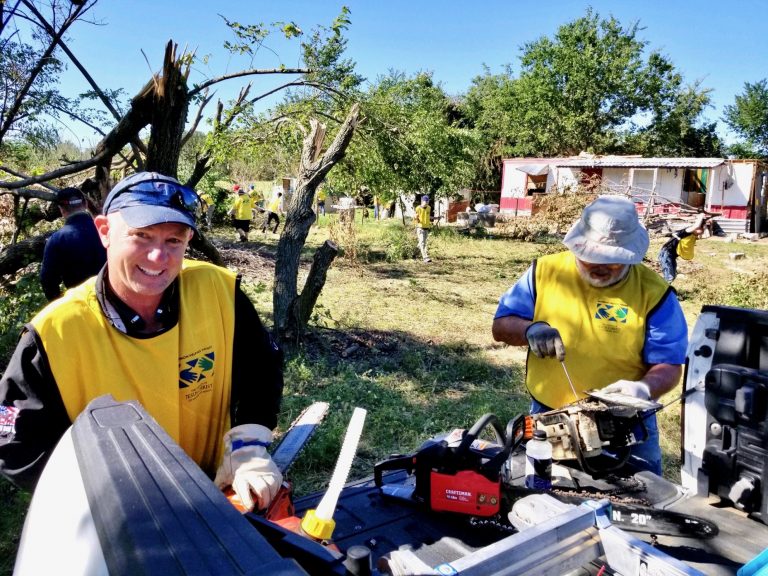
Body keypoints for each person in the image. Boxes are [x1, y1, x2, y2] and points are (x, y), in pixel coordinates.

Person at [0, 172, 284, 513]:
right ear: (104, 231)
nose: (157, 257)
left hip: (215, 499)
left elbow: (261, 368)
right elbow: (17, 446)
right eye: (141, 236)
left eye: (173, 241)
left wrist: (248, 447)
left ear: (189, 239)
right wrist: (104, 495)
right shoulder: (54, 332)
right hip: (124, 520)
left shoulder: (218, 291)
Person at [491, 195, 688, 475]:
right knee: (545, 496)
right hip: (551, 415)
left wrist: (643, 389)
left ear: (629, 255)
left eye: (611, 261)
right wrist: (529, 330)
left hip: (626, 425)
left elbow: (669, 365)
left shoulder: (654, 294)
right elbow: (500, 327)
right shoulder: (545, 272)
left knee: (640, 501)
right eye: (590, 257)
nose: (599, 266)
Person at [39, 187, 107, 301]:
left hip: (82, 304)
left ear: (61, 210)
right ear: (85, 203)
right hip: (116, 301)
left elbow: (48, 281)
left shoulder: (57, 240)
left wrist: (61, 305)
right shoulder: (106, 229)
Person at [657, 213, 711, 282]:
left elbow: (707, 235)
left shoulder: (694, 236)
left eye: (703, 229)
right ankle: (664, 291)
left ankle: (663, 288)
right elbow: (696, 225)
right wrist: (701, 216)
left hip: (672, 255)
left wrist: (706, 225)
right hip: (666, 252)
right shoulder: (687, 231)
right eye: (701, 229)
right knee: (669, 277)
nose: (702, 231)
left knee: (672, 276)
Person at [414, 194, 433, 263]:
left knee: (423, 243)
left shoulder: (429, 208)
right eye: (426, 201)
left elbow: (429, 216)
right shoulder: (418, 208)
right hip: (420, 228)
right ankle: (425, 257)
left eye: (428, 201)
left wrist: (436, 218)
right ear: (422, 201)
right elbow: (415, 217)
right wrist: (416, 218)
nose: (427, 202)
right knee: (422, 243)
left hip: (426, 228)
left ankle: (415, 252)